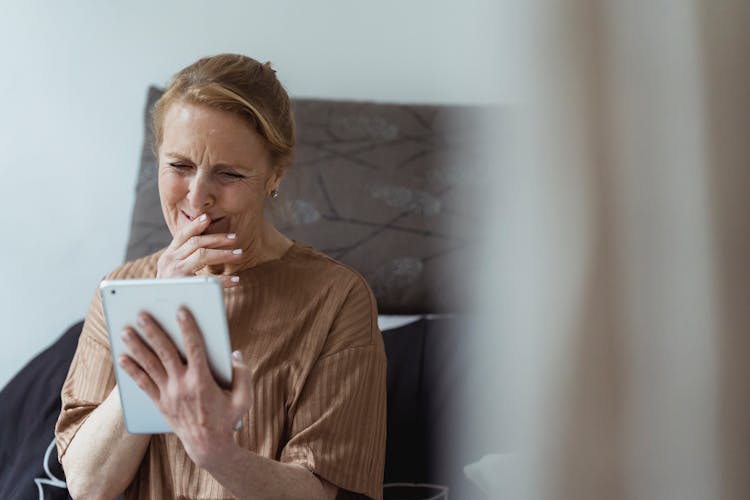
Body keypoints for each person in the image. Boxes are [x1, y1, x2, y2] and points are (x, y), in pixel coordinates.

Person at [55, 54, 386, 500]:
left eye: (228, 174)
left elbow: (318, 493)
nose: (197, 198)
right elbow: (87, 485)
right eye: (179, 166)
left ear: (275, 175)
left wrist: (217, 453)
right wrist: (160, 316)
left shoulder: (338, 299)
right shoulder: (121, 288)